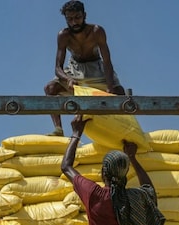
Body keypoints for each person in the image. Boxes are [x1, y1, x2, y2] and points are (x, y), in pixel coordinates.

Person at [61, 115, 166, 225]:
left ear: (103, 172)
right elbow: (149, 191)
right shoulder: (135, 198)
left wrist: (76, 133)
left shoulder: (95, 195)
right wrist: (132, 158)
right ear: (124, 174)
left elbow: (66, 167)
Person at [44, 0, 126, 136]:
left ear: (84, 15)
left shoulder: (96, 31)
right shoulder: (63, 35)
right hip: (75, 69)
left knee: (119, 92)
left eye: (77, 17)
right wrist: (68, 78)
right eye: (70, 19)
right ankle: (58, 129)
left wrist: (110, 86)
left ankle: (122, 132)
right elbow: (58, 68)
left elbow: (107, 61)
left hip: (96, 68)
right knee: (50, 88)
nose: (74, 22)